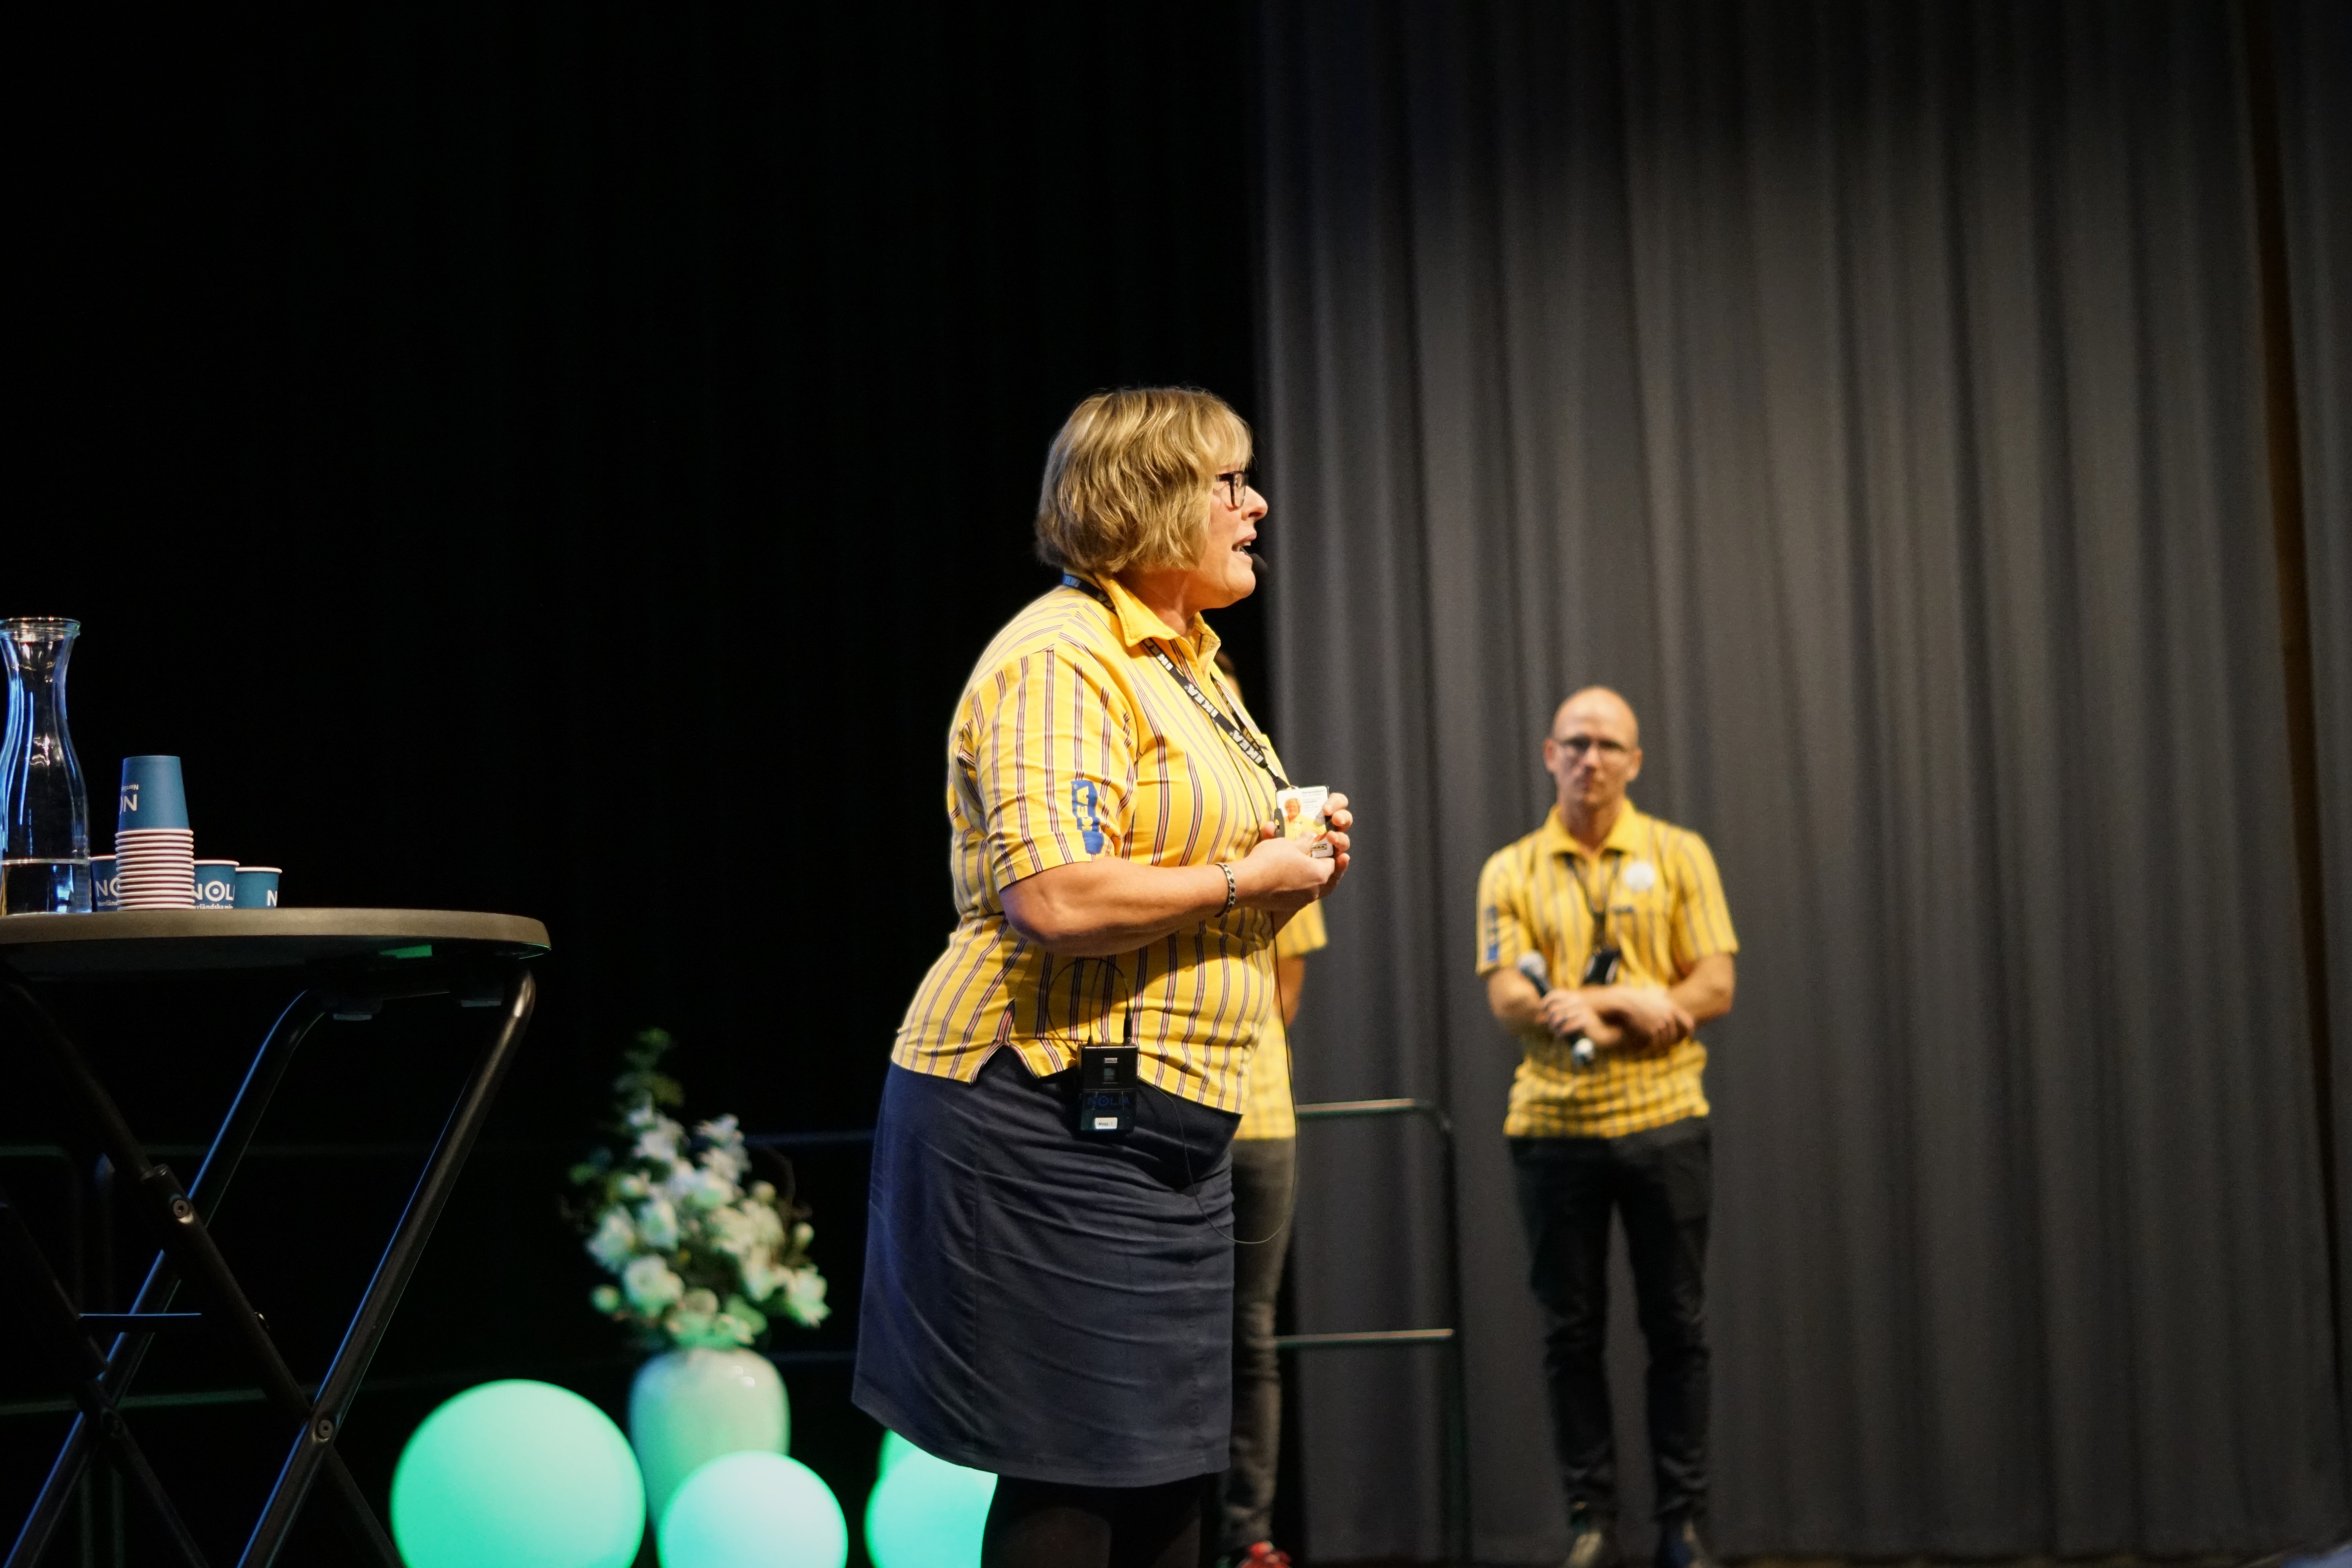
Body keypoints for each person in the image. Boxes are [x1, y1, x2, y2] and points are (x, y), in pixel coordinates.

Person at [855, 387, 1356, 1568]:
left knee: (1170, 1486)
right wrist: (1241, 879)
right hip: (1041, 1106)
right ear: (1153, 501)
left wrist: (1285, 864)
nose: (1255, 505)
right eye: (1229, 483)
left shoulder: (1193, 666)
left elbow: (1184, 862)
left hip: (1165, 1124)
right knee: (1074, 1481)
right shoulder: (1060, 658)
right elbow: (1056, 895)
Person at [1475, 688, 1737, 1568]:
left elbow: (1714, 985)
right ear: (1550, 754)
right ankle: (1592, 1522)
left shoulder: (1680, 853)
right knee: (1570, 1336)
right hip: (1553, 1130)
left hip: (1667, 1124)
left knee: (1679, 1329)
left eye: (1610, 746)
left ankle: (1683, 1524)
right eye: (1577, 743)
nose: (1592, 759)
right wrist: (1626, 1003)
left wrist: (1606, 1007)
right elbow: (1510, 999)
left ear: (1636, 761)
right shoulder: (1510, 870)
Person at [1211, 649, 1328, 1568]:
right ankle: (1168, 1526)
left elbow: (1283, 988)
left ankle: (1247, 1531)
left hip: (1258, 1118)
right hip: (1165, 1112)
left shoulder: (1284, 832)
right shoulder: (1161, 823)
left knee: (1250, 1333)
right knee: (1167, 1331)